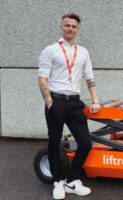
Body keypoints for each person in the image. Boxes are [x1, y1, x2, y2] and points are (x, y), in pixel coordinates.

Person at [37, 13, 101, 200]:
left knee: (85, 143)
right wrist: (50, 102)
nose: (70, 29)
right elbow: (42, 79)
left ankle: (71, 181)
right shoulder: (50, 50)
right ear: (61, 27)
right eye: (67, 25)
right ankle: (57, 181)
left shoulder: (83, 52)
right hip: (56, 100)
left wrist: (95, 100)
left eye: (74, 26)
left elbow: (90, 78)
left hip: (75, 102)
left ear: (78, 29)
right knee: (55, 142)